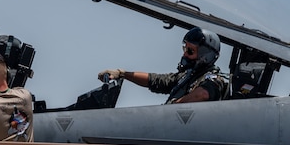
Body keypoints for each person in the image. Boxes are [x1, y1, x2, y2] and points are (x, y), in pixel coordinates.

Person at [97, 27, 229, 104]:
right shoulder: (186, 77)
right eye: (185, 49)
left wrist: (175, 106)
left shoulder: (214, 79)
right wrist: (122, 73)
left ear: (205, 56)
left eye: (190, 51)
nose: (185, 55)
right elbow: (155, 80)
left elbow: (203, 94)